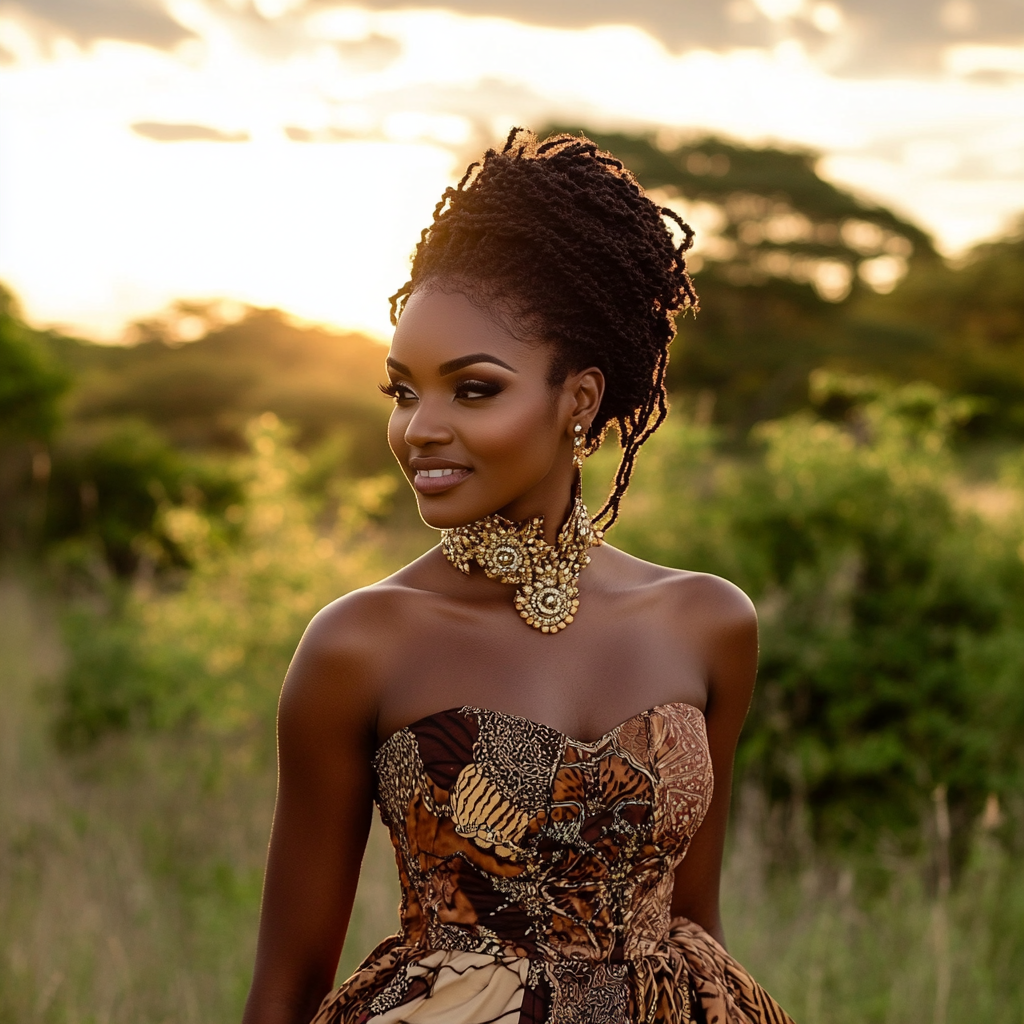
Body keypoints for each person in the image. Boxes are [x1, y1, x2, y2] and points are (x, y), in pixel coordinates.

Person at [242, 129, 795, 1024]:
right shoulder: (358, 644)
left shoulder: (707, 622)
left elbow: (696, 923)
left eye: (473, 389)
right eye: (403, 390)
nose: (420, 427)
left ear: (577, 398)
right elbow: (289, 983)